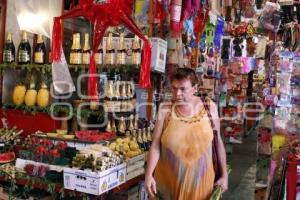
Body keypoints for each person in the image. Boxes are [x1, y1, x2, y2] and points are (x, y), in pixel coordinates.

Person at [145, 67, 228, 200]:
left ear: (195, 88)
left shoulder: (209, 107)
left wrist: (224, 176)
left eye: (183, 89)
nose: (177, 93)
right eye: (174, 88)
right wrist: (148, 175)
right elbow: (155, 145)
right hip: (168, 184)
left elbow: (218, 143)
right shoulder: (165, 109)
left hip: (201, 186)